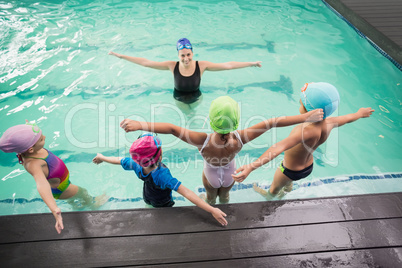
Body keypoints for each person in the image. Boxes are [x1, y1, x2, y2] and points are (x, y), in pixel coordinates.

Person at [120, 96, 324, 205]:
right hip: (230, 175)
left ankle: (211, 204)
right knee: (225, 197)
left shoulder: (203, 140)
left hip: (210, 176)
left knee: (210, 197)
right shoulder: (241, 138)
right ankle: (225, 206)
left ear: (210, 120)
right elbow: (273, 123)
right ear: (235, 121)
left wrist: (140, 124)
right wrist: (307, 117)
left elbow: (172, 129)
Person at [231, 82, 375, 199]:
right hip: (307, 168)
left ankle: (271, 198)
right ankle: (287, 189)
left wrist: (251, 167)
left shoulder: (304, 131)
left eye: (301, 104)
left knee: (274, 189)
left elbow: (278, 148)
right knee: (288, 184)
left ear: (308, 109)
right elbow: (348, 119)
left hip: (288, 170)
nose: (299, 106)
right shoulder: (329, 122)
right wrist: (359, 114)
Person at [92, 133, 228, 226]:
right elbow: (186, 192)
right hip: (163, 202)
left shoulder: (136, 165)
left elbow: (119, 160)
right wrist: (211, 209)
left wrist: (102, 157)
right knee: (165, 214)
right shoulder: (162, 175)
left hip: (147, 196)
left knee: (149, 205)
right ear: (160, 154)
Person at [0, 121, 107, 234]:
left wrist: (29, 126)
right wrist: (54, 209)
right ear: (30, 149)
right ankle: (92, 204)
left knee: (72, 197)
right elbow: (41, 185)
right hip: (62, 189)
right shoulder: (33, 164)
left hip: (63, 182)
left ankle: (75, 205)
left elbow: (23, 136)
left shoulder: (31, 150)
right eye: (41, 139)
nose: (44, 137)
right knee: (82, 191)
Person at [109, 38, 262, 111]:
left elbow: (228, 65)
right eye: (182, 55)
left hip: (197, 96)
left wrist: (251, 63)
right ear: (178, 55)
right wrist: (122, 57)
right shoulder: (171, 66)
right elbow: (146, 62)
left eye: (188, 54)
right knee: (186, 116)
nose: (186, 58)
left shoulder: (201, 65)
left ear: (192, 53)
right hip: (178, 98)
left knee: (194, 115)